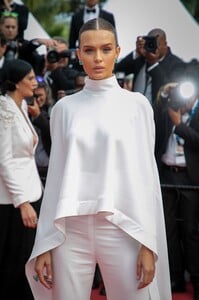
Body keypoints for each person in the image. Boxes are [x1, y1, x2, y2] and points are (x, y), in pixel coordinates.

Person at [26, 18, 171, 300]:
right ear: (78, 54)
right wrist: (44, 242)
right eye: (89, 50)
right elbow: (56, 176)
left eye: (105, 49)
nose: (98, 58)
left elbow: (146, 177)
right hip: (69, 230)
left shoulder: (137, 106)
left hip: (124, 226)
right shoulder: (64, 109)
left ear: (117, 52)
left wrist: (148, 243)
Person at [154, 60, 199, 299]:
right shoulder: (166, 111)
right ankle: (175, 278)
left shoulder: (195, 112)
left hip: (191, 179)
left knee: (190, 231)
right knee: (169, 230)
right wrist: (164, 96)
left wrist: (179, 124)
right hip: (167, 176)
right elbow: (154, 127)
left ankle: (197, 279)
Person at [0, 59, 43, 299]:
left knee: (23, 264)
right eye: (30, 78)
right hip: (11, 202)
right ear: (16, 83)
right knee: (13, 267)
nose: (35, 83)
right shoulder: (3, 110)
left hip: (28, 193)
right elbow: (4, 160)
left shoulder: (21, 107)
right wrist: (22, 202)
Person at [115, 28, 183, 105]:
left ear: (165, 44)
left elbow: (165, 88)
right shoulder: (142, 58)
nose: (154, 47)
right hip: (134, 108)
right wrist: (136, 52)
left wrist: (153, 63)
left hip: (156, 113)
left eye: (157, 44)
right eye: (150, 43)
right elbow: (118, 69)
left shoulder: (176, 64)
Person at [27, 78, 53, 186]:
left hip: (48, 168)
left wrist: (38, 116)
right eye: (34, 96)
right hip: (30, 168)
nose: (37, 99)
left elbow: (52, 132)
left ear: (46, 95)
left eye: (40, 95)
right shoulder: (23, 114)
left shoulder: (54, 111)